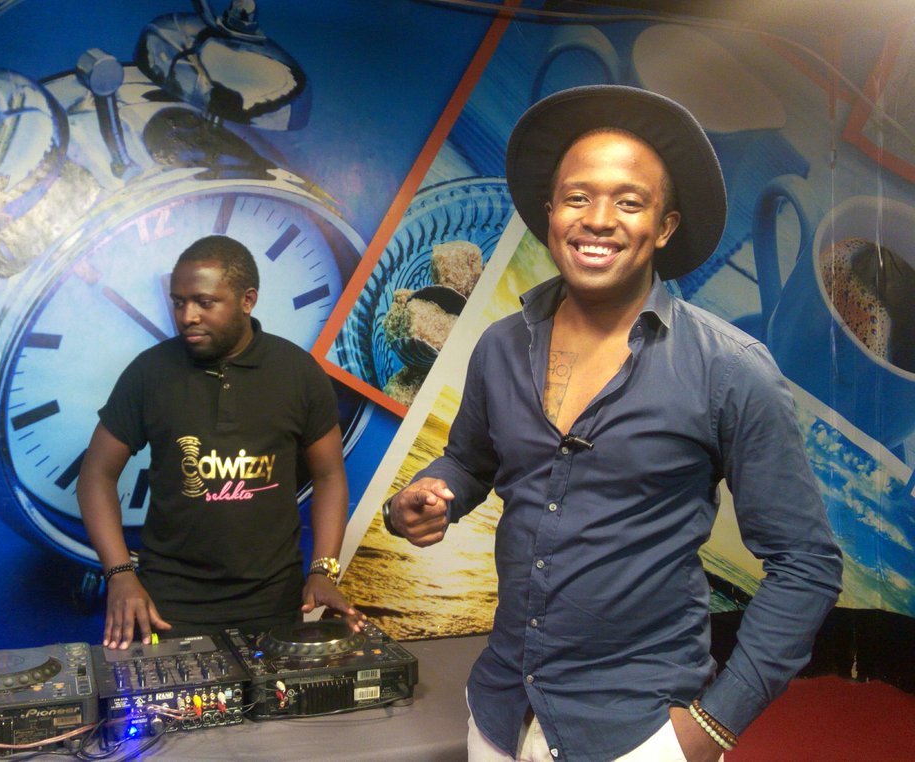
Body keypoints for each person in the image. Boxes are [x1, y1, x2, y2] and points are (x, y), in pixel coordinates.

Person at [382, 85, 842, 762]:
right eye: (577, 197)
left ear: (665, 226)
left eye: (629, 202)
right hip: (499, 715)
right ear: (550, 213)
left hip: (640, 732)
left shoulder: (731, 369)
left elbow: (806, 564)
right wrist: (422, 498)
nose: (598, 219)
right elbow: (470, 462)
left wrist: (712, 727)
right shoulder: (500, 346)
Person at [78, 234, 363, 649]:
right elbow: (95, 476)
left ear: (248, 300)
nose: (187, 316)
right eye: (179, 302)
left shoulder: (297, 373)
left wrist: (323, 571)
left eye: (204, 302)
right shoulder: (149, 373)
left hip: (275, 604)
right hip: (168, 606)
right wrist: (120, 575)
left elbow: (329, 475)